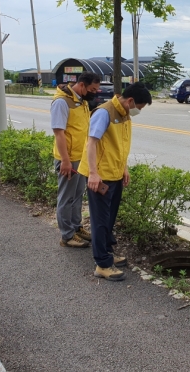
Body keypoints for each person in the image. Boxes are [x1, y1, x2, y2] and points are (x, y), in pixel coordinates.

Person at [78, 82, 152, 281]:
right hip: (100, 176)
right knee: (100, 220)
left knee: (110, 218)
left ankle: (108, 253)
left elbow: (120, 145)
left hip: (115, 173)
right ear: (130, 101)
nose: (139, 111)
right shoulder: (104, 113)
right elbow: (91, 144)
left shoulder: (125, 114)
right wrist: (93, 173)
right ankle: (102, 264)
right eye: (140, 107)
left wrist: (124, 168)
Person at [51, 72, 101, 248]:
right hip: (69, 159)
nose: (96, 91)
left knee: (78, 195)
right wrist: (65, 161)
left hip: (81, 158)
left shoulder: (81, 101)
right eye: (93, 89)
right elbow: (59, 133)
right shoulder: (62, 102)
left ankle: (76, 228)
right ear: (81, 85)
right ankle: (67, 235)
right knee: (66, 197)